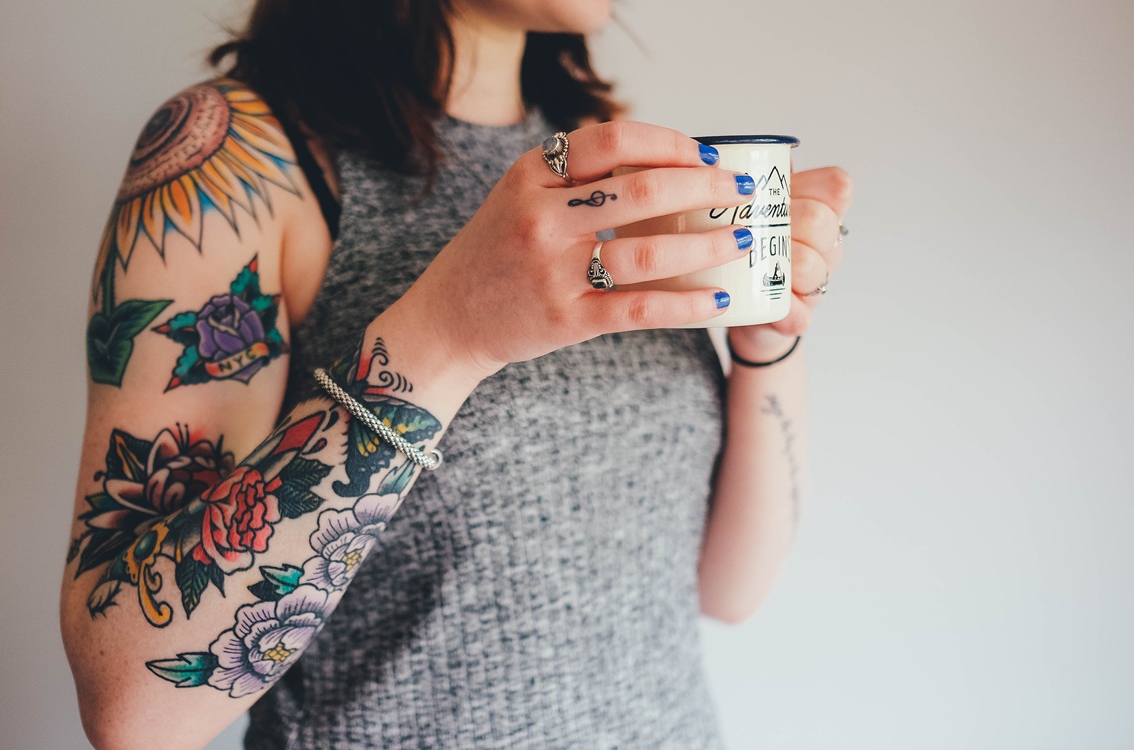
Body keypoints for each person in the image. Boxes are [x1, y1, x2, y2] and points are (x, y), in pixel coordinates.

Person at [59, 1, 852, 748]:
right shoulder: (235, 159)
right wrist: (449, 332)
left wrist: (769, 340)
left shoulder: (597, 164)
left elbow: (727, 591)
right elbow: (133, 708)